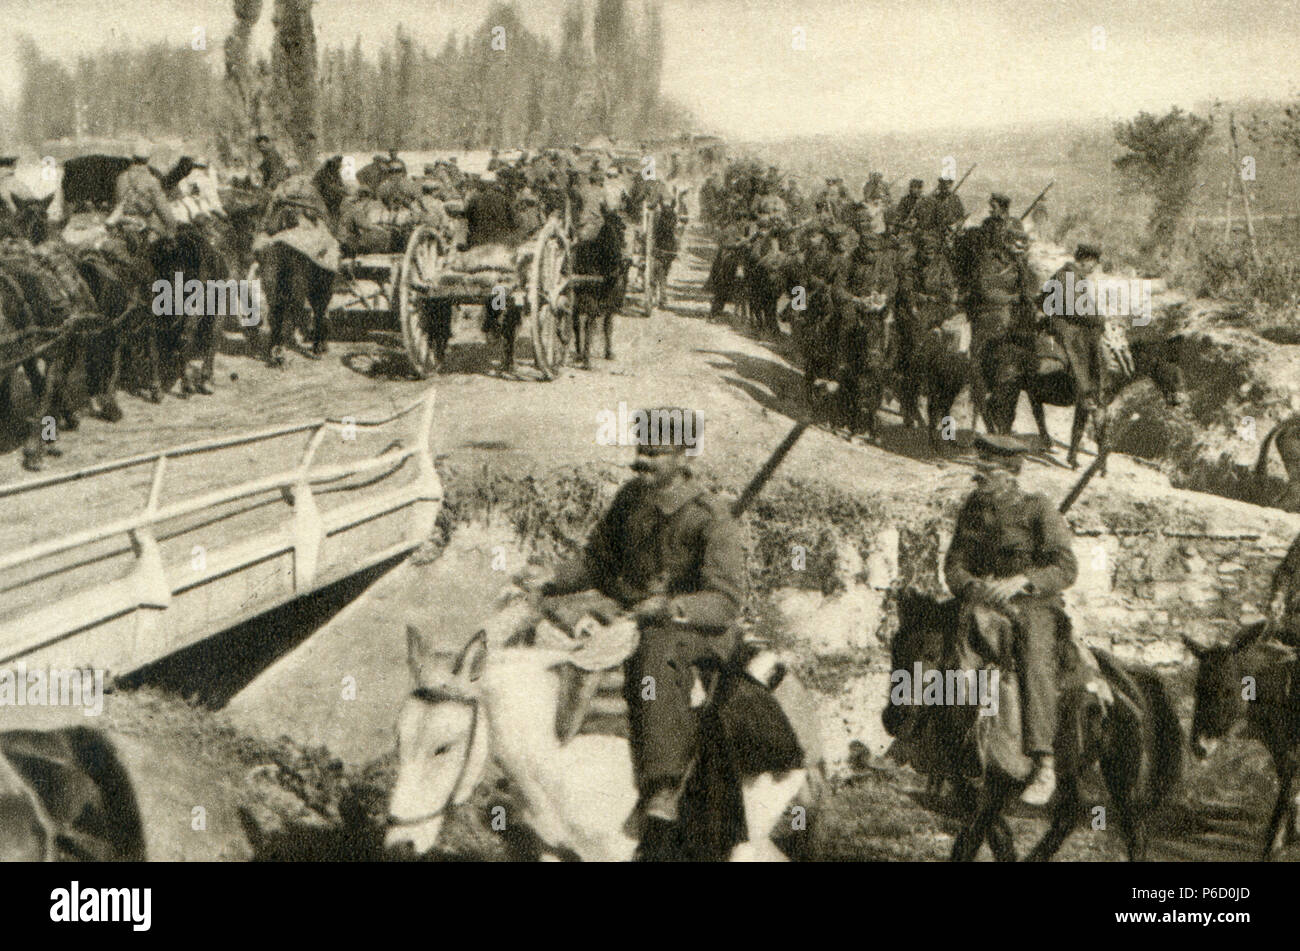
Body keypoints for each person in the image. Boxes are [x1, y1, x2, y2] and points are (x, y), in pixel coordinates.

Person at [532, 409, 746, 858]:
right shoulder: (631, 499)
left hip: (689, 629)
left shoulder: (712, 518)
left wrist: (672, 606)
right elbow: (598, 561)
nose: (642, 462)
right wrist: (550, 581)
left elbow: (725, 601)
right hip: (627, 609)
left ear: (683, 455)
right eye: (640, 451)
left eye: (654, 453)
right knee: (546, 628)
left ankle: (662, 785)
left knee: (654, 652)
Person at [944, 433, 1078, 806]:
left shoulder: (1038, 509)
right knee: (934, 642)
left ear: (1011, 473)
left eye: (987, 472)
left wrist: (1023, 581)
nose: (978, 479)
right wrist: (973, 586)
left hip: (1033, 606)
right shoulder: (972, 510)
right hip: (982, 601)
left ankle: (1043, 762)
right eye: (978, 471)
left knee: (1035, 661)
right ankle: (931, 737)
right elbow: (954, 565)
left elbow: (1066, 567)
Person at [1042, 243, 1106, 412]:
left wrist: (1097, 317)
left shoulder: (1076, 276)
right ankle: (1085, 392)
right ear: (1085, 260)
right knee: (1077, 343)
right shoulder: (1067, 275)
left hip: (1070, 318)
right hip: (1062, 321)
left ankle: (1095, 387)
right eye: (1093, 262)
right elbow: (1073, 308)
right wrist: (1096, 318)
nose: (1094, 267)